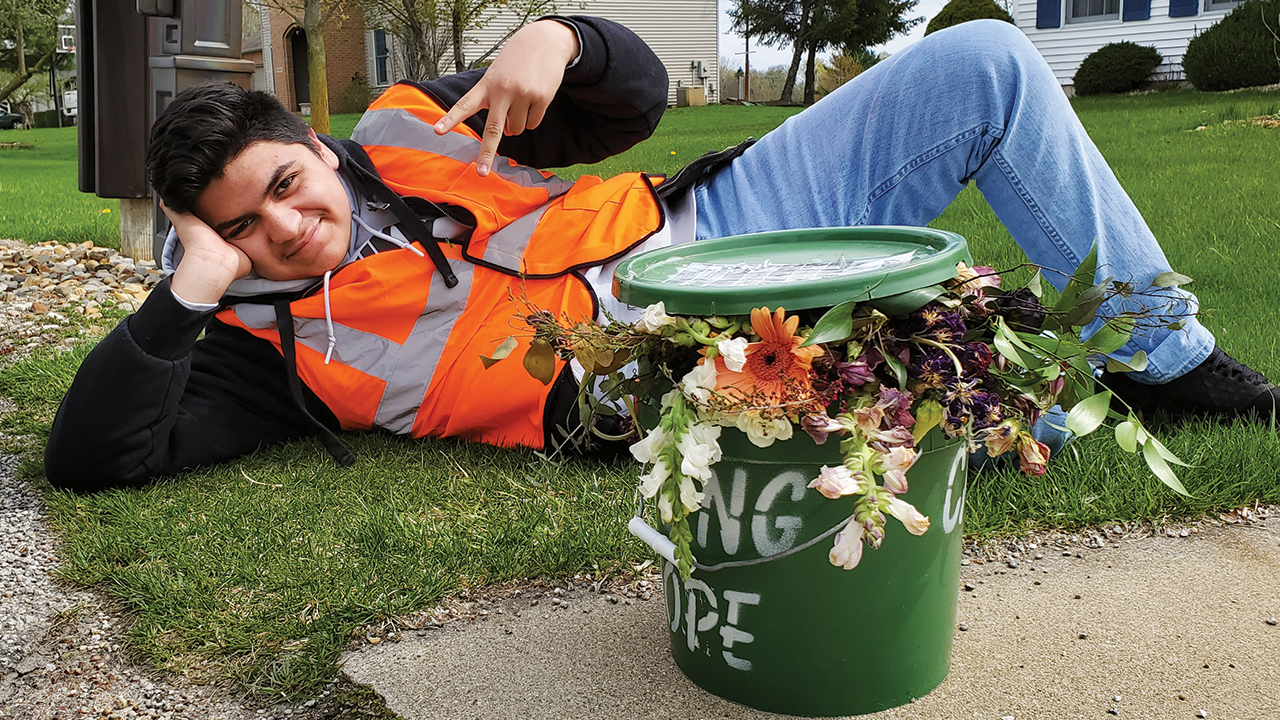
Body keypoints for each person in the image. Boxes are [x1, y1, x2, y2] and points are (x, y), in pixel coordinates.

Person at [44, 16, 1277, 493]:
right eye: (243, 227)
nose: (286, 230)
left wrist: (560, 38)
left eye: (284, 187)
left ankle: (1164, 354)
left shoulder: (408, 122)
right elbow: (93, 458)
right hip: (654, 369)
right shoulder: (265, 347)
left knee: (988, 64)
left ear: (308, 140)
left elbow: (623, 109)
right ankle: (988, 354)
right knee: (1008, 424)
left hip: (709, 223)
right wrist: (187, 294)